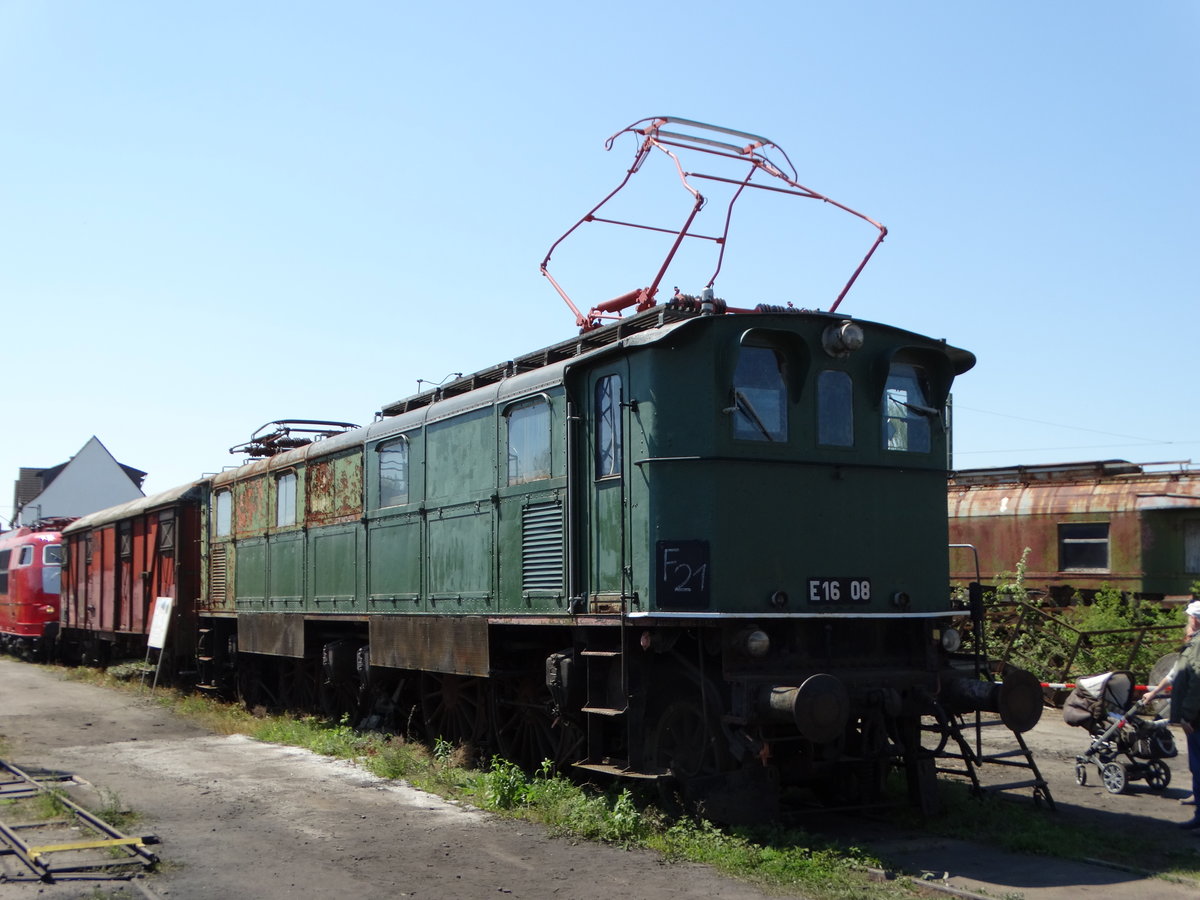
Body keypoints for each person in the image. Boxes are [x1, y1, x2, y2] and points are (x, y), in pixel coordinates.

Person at [1149, 599, 1200, 827]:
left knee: (1199, 765)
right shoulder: (1193, 644)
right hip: (1195, 716)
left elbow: (1196, 683)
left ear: (1195, 620)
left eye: (1189, 617)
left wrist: (1188, 715)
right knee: (1196, 763)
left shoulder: (1198, 646)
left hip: (1197, 717)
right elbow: (1176, 675)